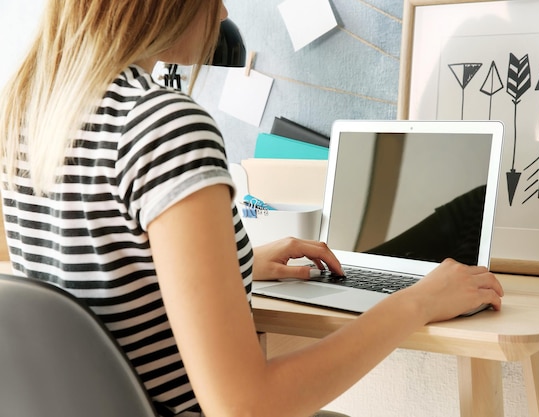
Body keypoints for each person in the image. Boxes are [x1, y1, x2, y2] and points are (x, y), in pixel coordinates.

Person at [0, 1, 504, 416]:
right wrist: (416, 302)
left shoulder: (27, 110)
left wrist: (236, 262)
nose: (221, 13)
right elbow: (245, 407)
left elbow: (105, 278)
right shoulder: (163, 126)